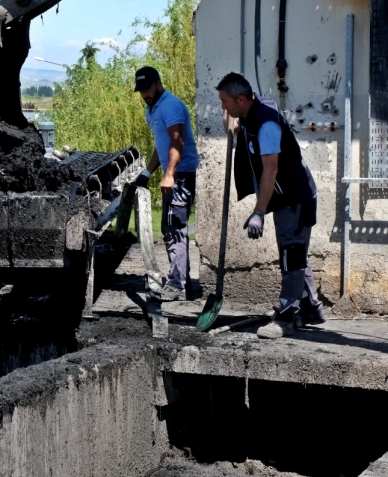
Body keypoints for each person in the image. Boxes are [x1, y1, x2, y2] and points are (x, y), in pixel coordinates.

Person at [215, 72, 324, 338]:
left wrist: (258, 212)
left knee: (292, 254)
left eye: (225, 102)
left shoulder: (266, 126)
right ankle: (311, 308)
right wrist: (232, 123)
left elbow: (270, 171)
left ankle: (285, 318)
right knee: (296, 252)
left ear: (241, 99)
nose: (223, 108)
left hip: (294, 198)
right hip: (289, 194)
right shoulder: (254, 109)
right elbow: (239, 120)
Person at [132, 66, 200, 302]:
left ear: (158, 83)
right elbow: (162, 144)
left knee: (174, 228)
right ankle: (187, 284)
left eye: (147, 89)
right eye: (140, 91)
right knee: (173, 226)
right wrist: (148, 172)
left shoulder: (170, 106)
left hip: (181, 175)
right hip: (174, 172)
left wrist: (170, 173)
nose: (144, 94)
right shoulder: (152, 109)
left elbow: (176, 141)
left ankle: (175, 284)